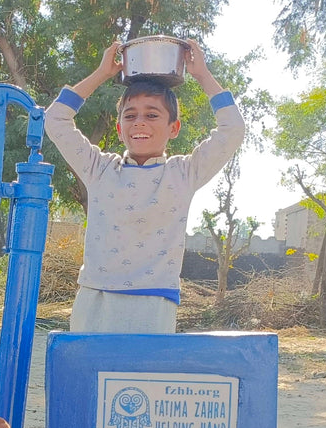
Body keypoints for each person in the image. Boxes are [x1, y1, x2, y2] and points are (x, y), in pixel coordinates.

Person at [44, 39, 245, 333]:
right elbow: (56, 119)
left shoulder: (184, 173)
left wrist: (202, 75)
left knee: (145, 378)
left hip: (154, 303)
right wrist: (101, 73)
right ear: (119, 128)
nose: (140, 123)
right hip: (96, 299)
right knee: (88, 378)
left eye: (152, 115)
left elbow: (233, 129)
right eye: (130, 115)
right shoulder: (99, 168)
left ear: (173, 128)